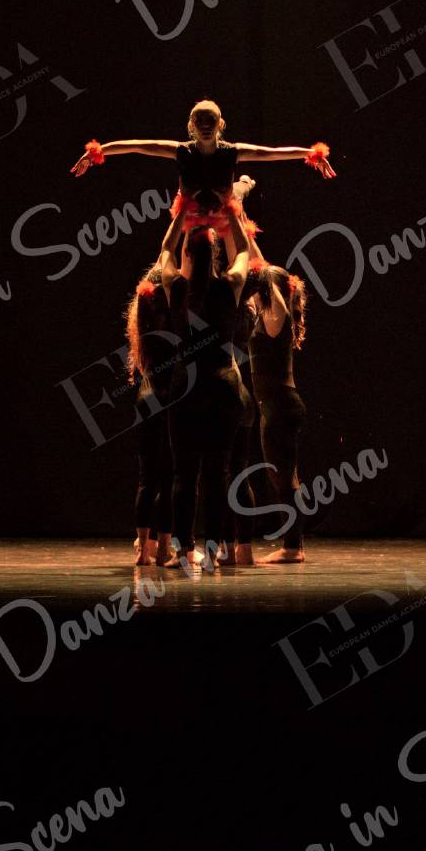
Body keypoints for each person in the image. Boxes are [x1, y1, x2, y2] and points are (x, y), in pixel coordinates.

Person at [69, 100, 335, 257]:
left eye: (211, 121)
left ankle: (245, 182)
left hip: (225, 208)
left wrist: (313, 154)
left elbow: (272, 153)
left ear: (220, 124)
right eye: (200, 121)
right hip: (193, 213)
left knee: (248, 254)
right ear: (191, 126)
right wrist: (97, 151)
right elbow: (138, 145)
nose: (206, 126)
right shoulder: (181, 151)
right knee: (175, 258)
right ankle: (242, 183)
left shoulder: (231, 151)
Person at [157, 208, 254, 570]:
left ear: (187, 254)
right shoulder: (229, 287)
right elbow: (243, 251)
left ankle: (184, 552)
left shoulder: (176, 288)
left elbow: (165, 249)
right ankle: (212, 553)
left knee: (184, 475)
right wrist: (231, 213)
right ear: (215, 255)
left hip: (186, 386)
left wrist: (182, 215)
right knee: (218, 474)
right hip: (222, 386)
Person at [247, 262, 309, 562]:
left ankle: (293, 547)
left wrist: (267, 276)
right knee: (284, 477)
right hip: (277, 406)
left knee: (283, 479)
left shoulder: (276, 319)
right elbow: (257, 264)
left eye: (259, 289)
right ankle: (293, 545)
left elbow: (274, 293)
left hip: (280, 407)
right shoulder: (266, 316)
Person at [125, 254, 177, 565]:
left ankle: (143, 549)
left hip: (145, 397)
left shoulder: (143, 320)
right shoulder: (171, 318)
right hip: (168, 397)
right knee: (168, 478)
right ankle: (165, 548)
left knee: (147, 479)